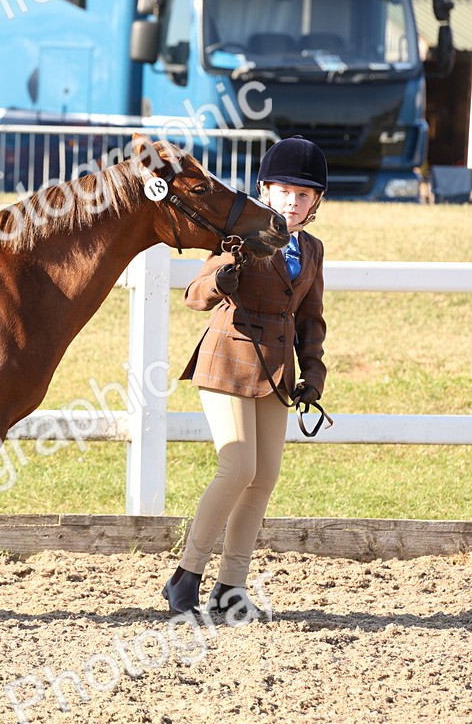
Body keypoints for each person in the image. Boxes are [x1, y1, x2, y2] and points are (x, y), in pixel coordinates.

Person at [163, 135, 329, 623]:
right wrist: (221, 281)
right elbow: (195, 294)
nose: (293, 203)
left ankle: (230, 589)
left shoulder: (312, 250)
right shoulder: (240, 233)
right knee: (236, 467)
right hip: (228, 359)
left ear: (315, 201)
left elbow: (310, 319)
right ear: (266, 191)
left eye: (303, 195)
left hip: (277, 369)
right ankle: (185, 575)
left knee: (264, 477)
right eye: (285, 192)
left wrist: (314, 372)